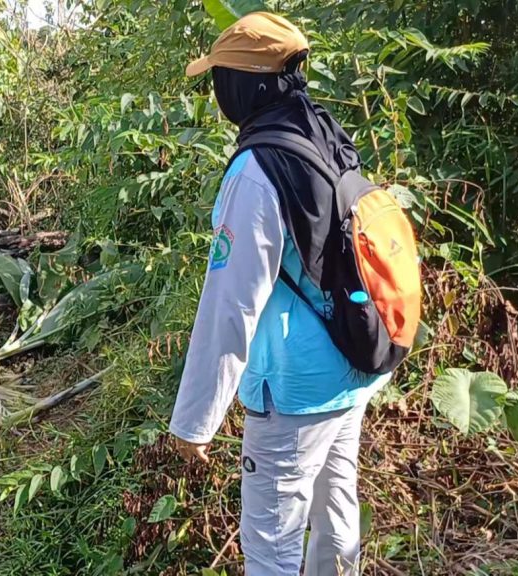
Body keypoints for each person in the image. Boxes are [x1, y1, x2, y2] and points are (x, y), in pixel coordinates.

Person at [169, 13, 390, 576]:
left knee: (272, 544)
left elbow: (231, 305)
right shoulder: (322, 133)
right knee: (337, 512)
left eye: (221, 78)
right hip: (352, 359)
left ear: (246, 84)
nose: (218, 91)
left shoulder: (256, 169)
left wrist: (195, 422)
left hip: (293, 388)